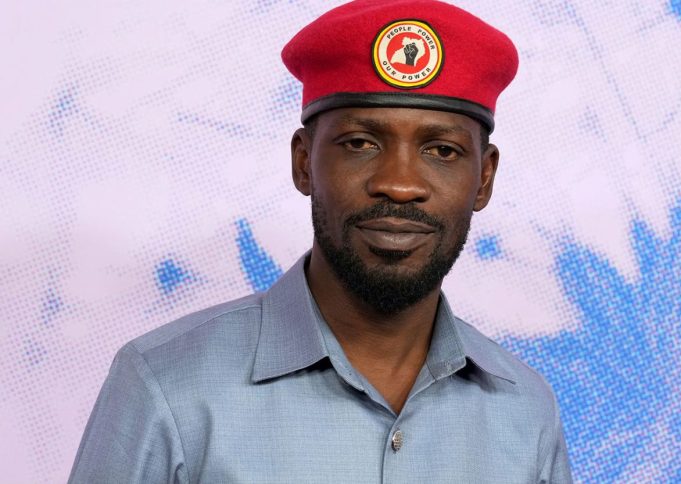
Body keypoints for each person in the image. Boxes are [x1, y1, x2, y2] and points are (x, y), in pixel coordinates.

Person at [69, 1, 572, 482]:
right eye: (360, 144)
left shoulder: (526, 411)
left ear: (483, 179)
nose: (399, 184)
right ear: (303, 162)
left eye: (441, 150)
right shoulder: (166, 386)